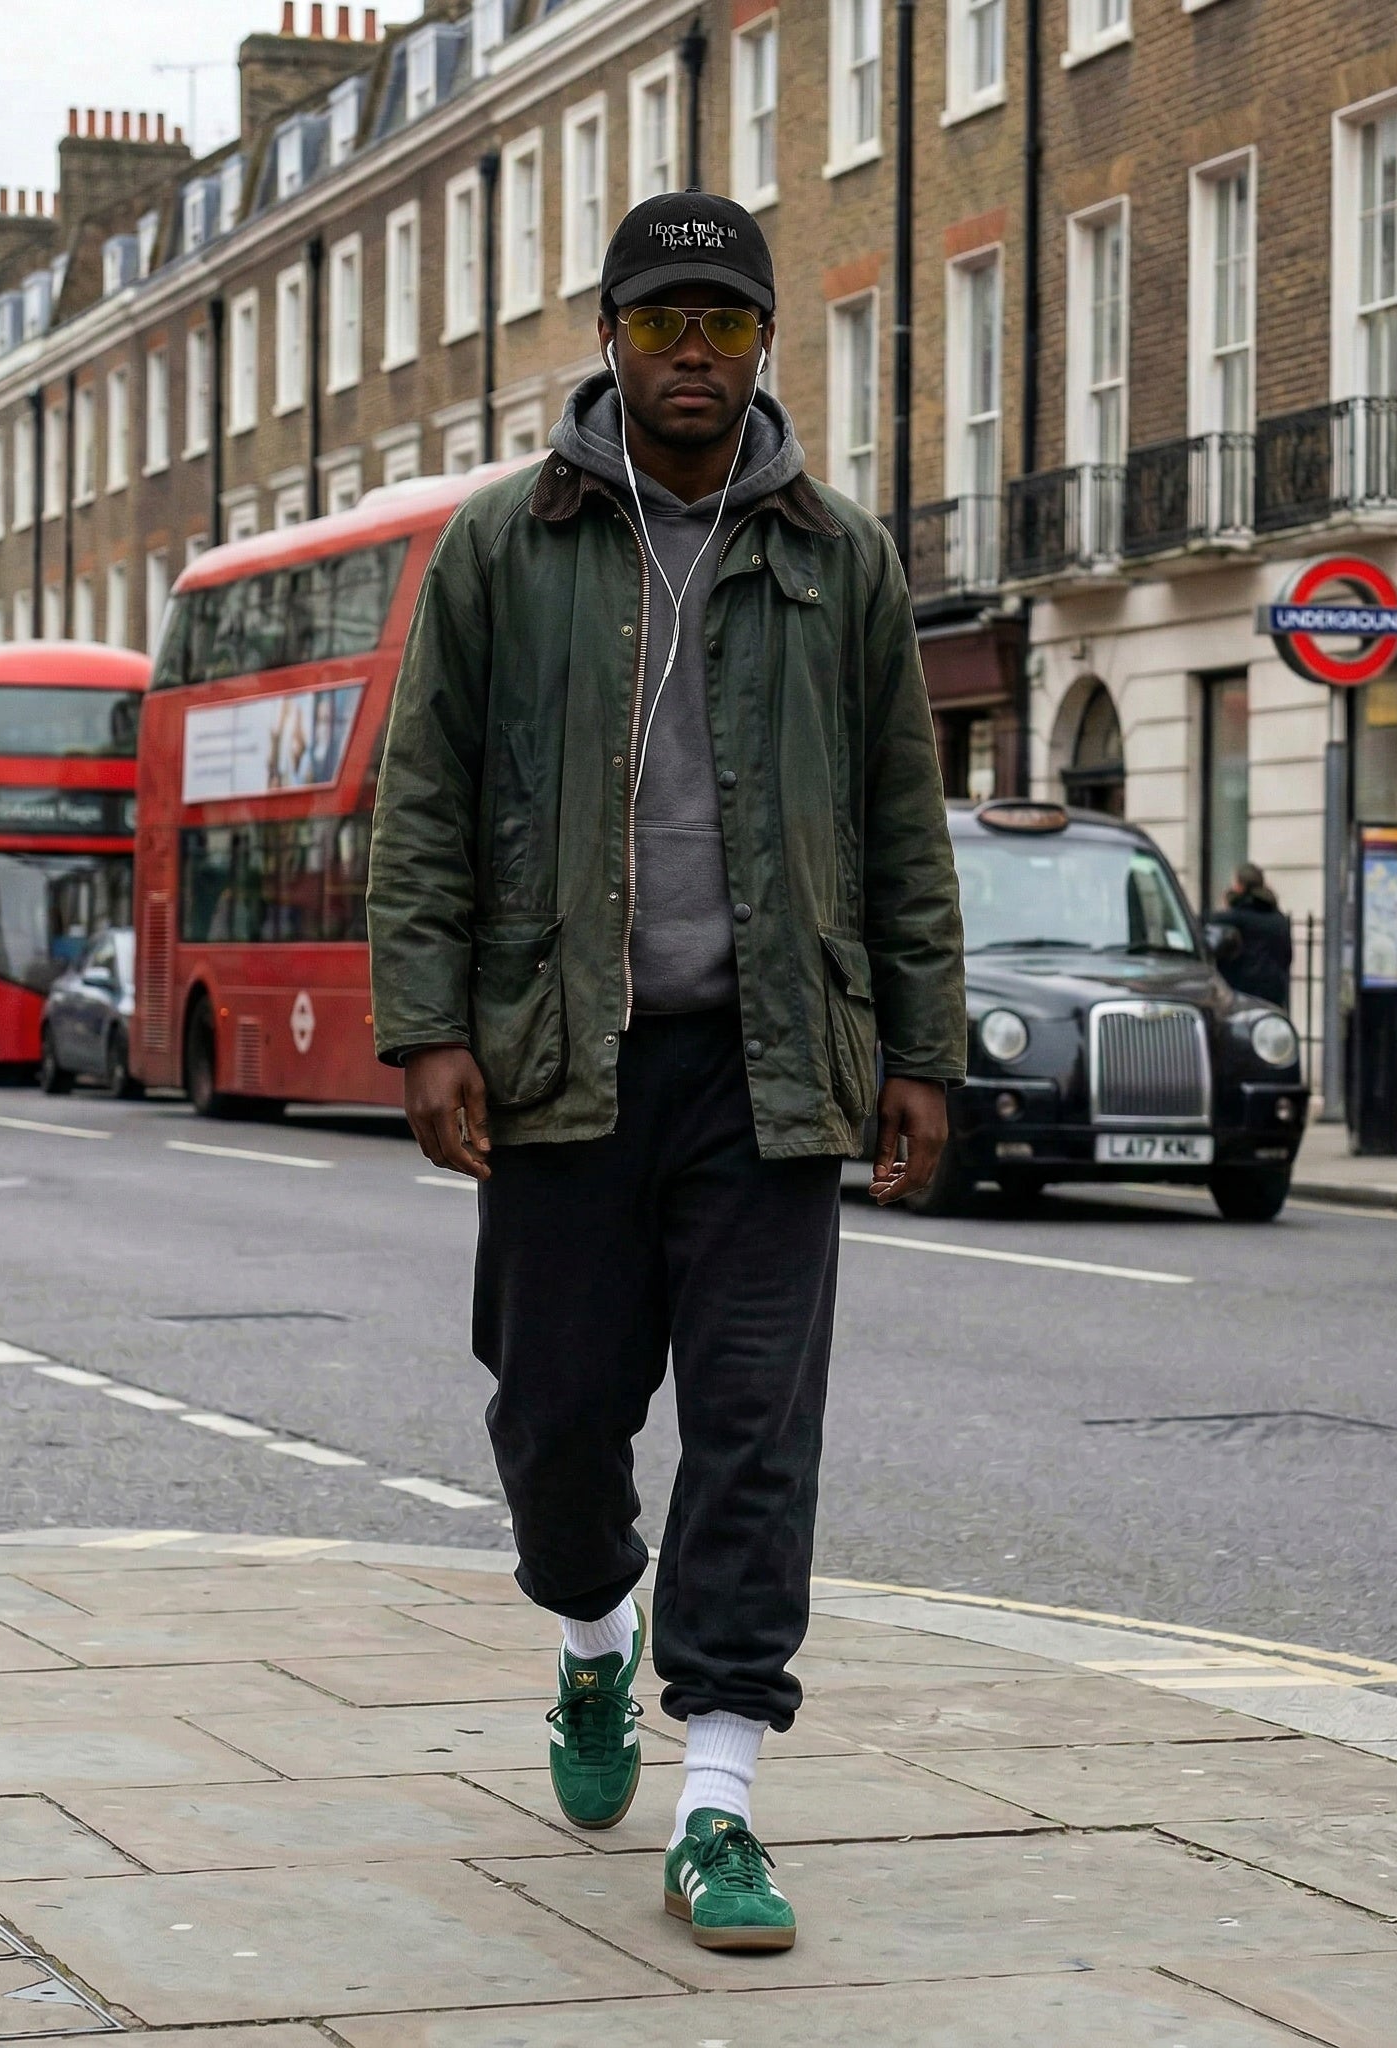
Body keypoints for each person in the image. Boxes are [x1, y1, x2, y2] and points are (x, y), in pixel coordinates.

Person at [367, 192, 965, 1956]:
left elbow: (896, 827)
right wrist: (428, 1027)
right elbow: (423, 807)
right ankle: (584, 1636)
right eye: (656, 325)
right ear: (607, 341)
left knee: (756, 1434)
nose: (689, 353)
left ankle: (716, 1794)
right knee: (556, 1422)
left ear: (763, 343)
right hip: (564, 1059)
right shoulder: (504, 547)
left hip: (770, 1069)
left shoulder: (839, 559)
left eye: (719, 323)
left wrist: (917, 1051)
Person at [1217, 862, 1293, 1010]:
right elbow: (1286, 956)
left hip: (1239, 996)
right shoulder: (1279, 920)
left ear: (1239, 886)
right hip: (1273, 997)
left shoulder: (1230, 919)